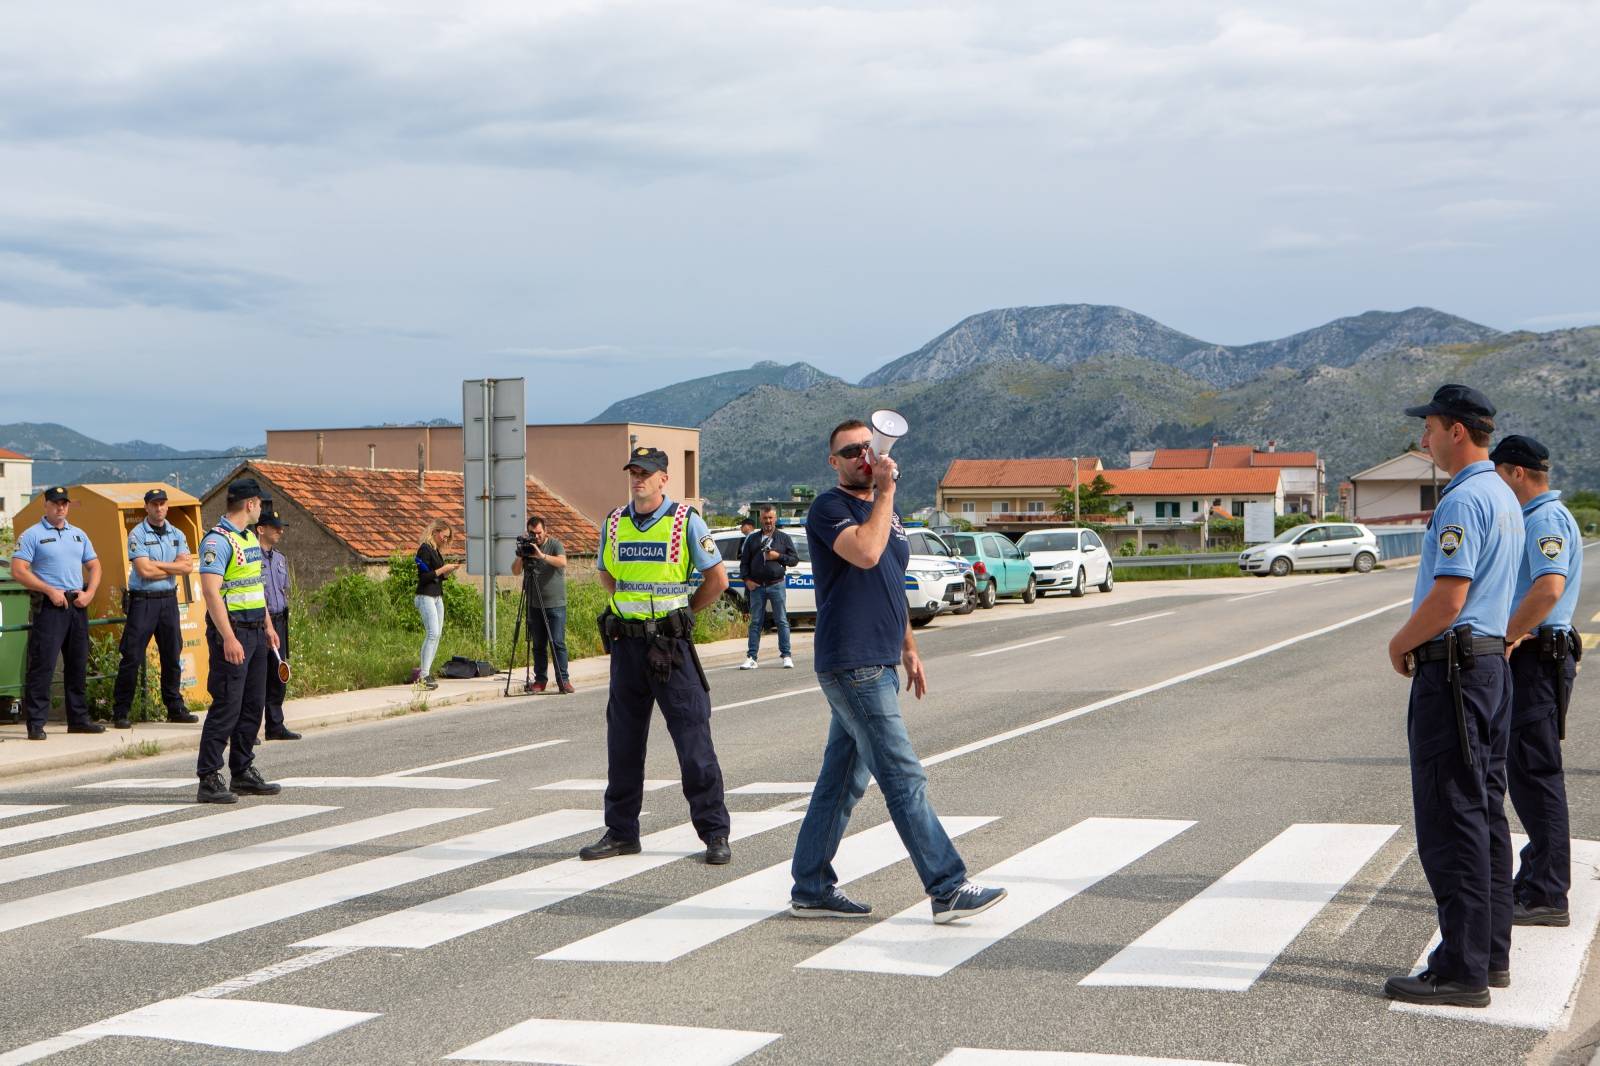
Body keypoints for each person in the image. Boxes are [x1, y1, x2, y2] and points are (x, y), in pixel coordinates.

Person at [789, 420, 1006, 923]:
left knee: (840, 782)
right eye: (851, 451)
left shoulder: (889, 512)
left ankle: (811, 886)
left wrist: (909, 646)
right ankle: (947, 887)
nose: (864, 455)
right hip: (852, 661)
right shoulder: (830, 508)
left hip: (880, 658)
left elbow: (891, 579)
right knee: (903, 775)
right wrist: (884, 491)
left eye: (869, 446)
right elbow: (865, 554)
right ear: (834, 462)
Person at [1383, 385, 1522, 1007]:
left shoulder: (1464, 499)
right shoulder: (1504, 494)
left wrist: (1399, 643)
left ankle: (1461, 970)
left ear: (1458, 432)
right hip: (1490, 667)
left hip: (1456, 672)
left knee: (1451, 818)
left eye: (1431, 428)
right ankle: (1488, 955)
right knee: (1485, 812)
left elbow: (1448, 597)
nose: (1425, 440)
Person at [578, 446, 732, 865]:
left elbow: (717, 579)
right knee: (623, 742)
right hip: (627, 646)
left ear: (664, 478)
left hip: (670, 645)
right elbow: (608, 576)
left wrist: (683, 615)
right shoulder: (613, 522)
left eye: (646, 472)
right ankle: (622, 831)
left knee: (693, 741)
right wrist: (631, 612)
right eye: (633, 471)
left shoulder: (685, 521)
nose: (638, 478)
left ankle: (715, 833)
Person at [1492, 434, 1582, 929]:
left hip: (1534, 660)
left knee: (1536, 775)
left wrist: (1509, 633)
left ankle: (1548, 893)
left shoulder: (1544, 519)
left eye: (1499, 475)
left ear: (1516, 473)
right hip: (1538, 658)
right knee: (1528, 776)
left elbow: (1549, 587)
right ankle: (1535, 876)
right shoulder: (1542, 516)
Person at [194, 479, 281, 804]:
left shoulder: (249, 538)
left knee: (252, 706)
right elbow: (211, 591)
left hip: (256, 629)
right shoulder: (218, 541)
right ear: (250, 503)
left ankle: (242, 770)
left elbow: (255, 586)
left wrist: (268, 625)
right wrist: (228, 637)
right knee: (227, 705)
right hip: (232, 631)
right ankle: (209, 777)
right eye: (261, 505)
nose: (263, 510)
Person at [10, 486, 103, 740]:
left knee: (77, 665)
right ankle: (36, 723)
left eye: (64, 503)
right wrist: (49, 590)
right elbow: (18, 570)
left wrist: (90, 592)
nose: (60, 507)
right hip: (51, 606)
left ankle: (78, 719)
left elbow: (95, 566)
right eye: (55, 503)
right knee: (43, 665)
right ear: (45, 504)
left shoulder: (79, 535)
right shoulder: (33, 535)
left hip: (77, 604)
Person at [111, 488, 198, 729]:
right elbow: (144, 571)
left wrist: (158, 563)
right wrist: (173, 566)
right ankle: (121, 710)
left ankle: (175, 707)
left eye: (162, 503)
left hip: (168, 599)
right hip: (143, 601)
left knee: (172, 654)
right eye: (154, 504)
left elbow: (187, 567)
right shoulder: (137, 534)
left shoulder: (177, 533)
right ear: (147, 507)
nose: (159, 508)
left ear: (167, 506)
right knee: (132, 656)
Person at [511, 513, 573, 694]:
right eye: (533, 533)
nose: (536, 537)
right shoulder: (527, 547)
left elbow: (562, 562)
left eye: (539, 533)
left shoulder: (554, 544)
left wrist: (541, 555)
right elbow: (515, 572)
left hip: (555, 604)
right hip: (534, 604)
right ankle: (540, 680)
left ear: (545, 531)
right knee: (538, 644)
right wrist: (522, 555)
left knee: (557, 643)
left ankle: (564, 680)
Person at [255, 502, 299, 740]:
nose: (280, 531)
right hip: (260, 622)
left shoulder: (280, 558)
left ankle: (275, 725)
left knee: (279, 674)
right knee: (258, 677)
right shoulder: (251, 557)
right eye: (275, 527)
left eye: (281, 527)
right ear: (261, 529)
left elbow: (283, 590)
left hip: (280, 619)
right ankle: (250, 730)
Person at [739, 506, 798, 670]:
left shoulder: (783, 538)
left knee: (781, 621)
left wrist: (778, 556)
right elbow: (744, 563)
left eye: (771, 518)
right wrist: (746, 580)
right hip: (757, 587)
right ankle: (751, 657)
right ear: (761, 519)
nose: (768, 521)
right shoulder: (752, 539)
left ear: (775, 518)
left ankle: (786, 655)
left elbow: (794, 559)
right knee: (756, 622)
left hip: (776, 585)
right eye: (765, 518)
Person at [414, 519, 461, 691]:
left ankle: (426, 673)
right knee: (432, 633)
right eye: (444, 536)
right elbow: (424, 577)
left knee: (438, 634)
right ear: (435, 532)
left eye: (448, 538)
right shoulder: (424, 549)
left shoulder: (436, 551)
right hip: (425, 595)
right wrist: (443, 569)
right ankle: (423, 675)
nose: (445, 540)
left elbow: (438, 577)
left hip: (437, 596)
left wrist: (448, 571)